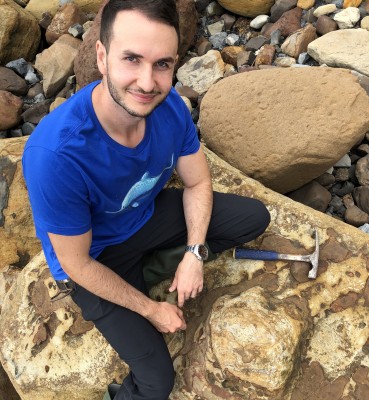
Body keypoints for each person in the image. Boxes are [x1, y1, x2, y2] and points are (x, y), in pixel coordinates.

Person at [22, 0, 270, 399]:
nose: (147, 82)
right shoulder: (56, 155)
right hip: (96, 257)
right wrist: (150, 310)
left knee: (253, 218)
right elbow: (75, 262)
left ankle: (159, 264)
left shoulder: (169, 106)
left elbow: (197, 183)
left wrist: (194, 253)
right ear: (101, 57)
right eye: (131, 59)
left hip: (145, 217)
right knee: (157, 382)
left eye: (162, 64)